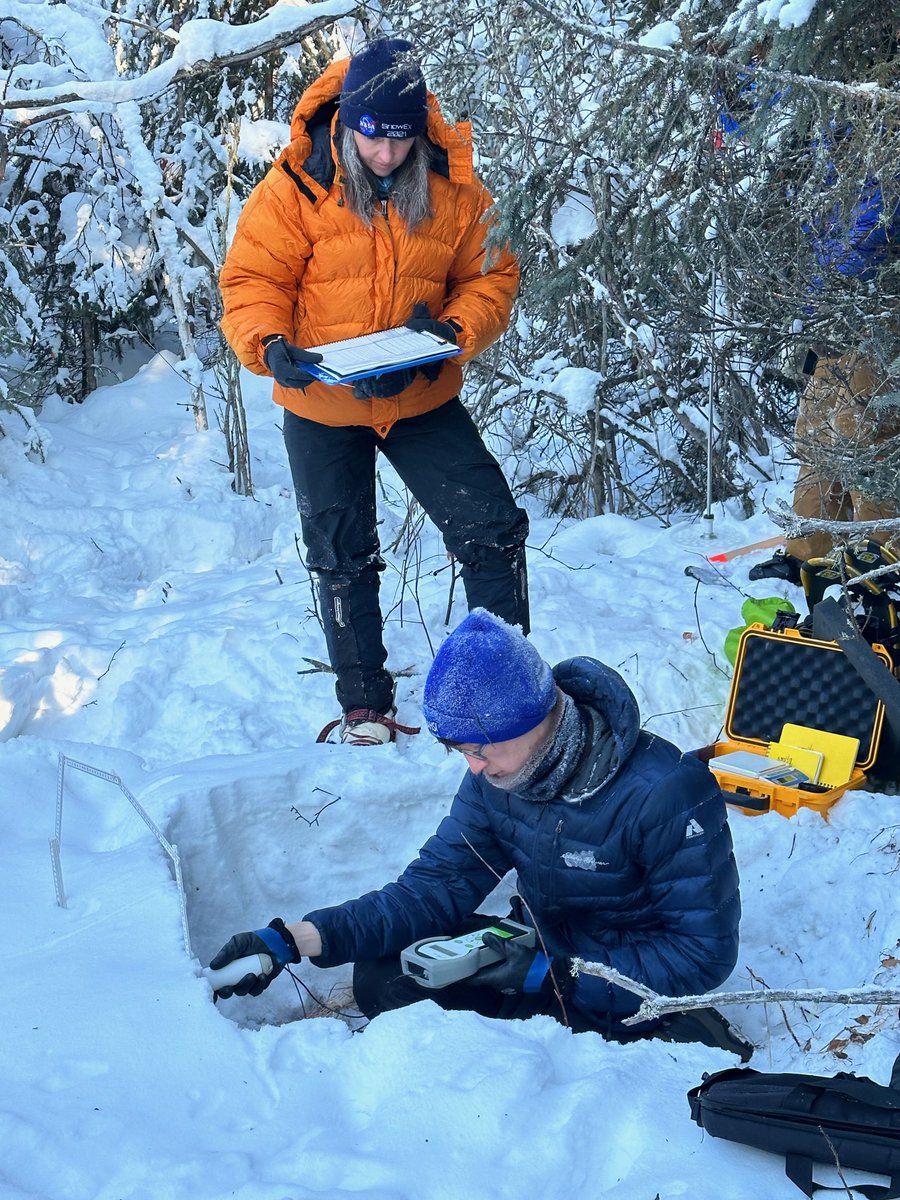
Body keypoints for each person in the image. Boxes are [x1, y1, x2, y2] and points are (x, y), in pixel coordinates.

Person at [209, 609, 749, 1057]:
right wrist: (295, 939)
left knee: (635, 1045)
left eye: (479, 748)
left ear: (533, 718)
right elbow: (433, 888)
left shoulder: (668, 790)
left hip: (619, 977)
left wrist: (555, 975)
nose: (472, 767)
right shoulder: (498, 779)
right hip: (533, 955)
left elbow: (701, 954)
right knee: (382, 975)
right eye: (461, 752)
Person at [219, 38, 527, 746]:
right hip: (322, 404)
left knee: (493, 529)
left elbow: (493, 279)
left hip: (418, 397)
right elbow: (250, 283)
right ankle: (364, 705)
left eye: (399, 137)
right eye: (370, 135)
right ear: (348, 121)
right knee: (340, 551)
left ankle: (500, 689)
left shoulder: (455, 185)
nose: (385, 155)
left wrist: (447, 333)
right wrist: (269, 347)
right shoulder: (296, 186)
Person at [750, 164, 900, 586]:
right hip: (834, 319)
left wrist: (831, 280)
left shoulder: (879, 142)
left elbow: (873, 229)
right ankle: (810, 555)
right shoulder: (825, 148)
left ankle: (879, 558)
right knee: (815, 437)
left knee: (868, 440)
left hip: (878, 309)